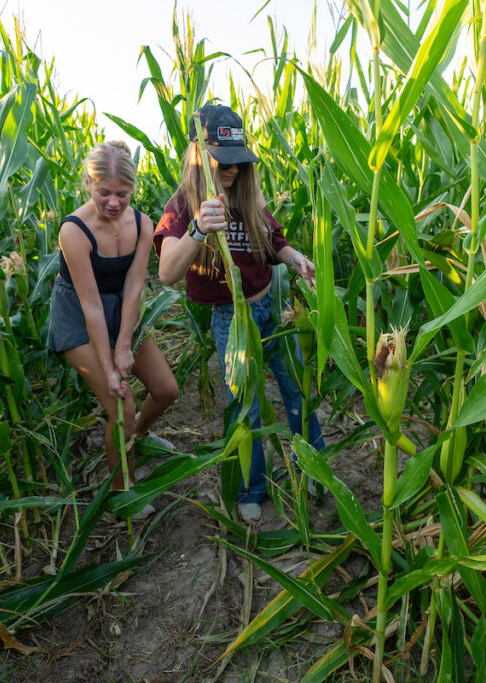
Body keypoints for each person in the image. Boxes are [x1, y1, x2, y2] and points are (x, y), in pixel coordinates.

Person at [153, 104, 325, 522]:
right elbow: (167, 274)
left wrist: (293, 257)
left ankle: (314, 468)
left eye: (237, 163)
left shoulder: (248, 197)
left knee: (298, 390)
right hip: (232, 321)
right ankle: (252, 487)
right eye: (221, 162)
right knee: (246, 406)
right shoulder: (182, 206)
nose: (230, 171)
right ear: (199, 154)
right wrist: (197, 229)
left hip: (274, 306)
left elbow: (273, 241)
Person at [49, 140, 178, 518]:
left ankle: (137, 435)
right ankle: (123, 491)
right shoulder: (73, 231)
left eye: (122, 194)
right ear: (88, 183)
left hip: (123, 311)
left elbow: (136, 287)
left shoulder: (141, 224)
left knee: (166, 389)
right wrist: (109, 368)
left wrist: (124, 345)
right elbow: (89, 305)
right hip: (78, 316)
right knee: (122, 405)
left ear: (133, 189)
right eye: (103, 192)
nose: (113, 202)